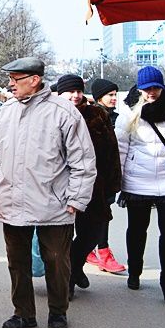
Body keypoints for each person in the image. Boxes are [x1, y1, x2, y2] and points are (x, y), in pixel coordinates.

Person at [0, 57, 96, 328]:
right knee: (17, 261)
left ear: (34, 80)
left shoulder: (64, 112)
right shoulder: (4, 113)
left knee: (56, 259)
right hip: (13, 199)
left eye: (15, 79)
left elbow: (83, 159)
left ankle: (58, 310)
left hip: (54, 203)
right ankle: (23, 313)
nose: (10, 84)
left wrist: (77, 198)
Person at [54, 74, 121, 298]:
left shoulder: (96, 114)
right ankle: (67, 280)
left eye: (79, 91)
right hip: (58, 187)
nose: (75, 95)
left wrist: (112, 185)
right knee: (60, 237)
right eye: (70, 91)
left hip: (93, 184)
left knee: (91, 233)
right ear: (60, 93)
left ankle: (75, 266)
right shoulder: (50, 114)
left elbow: (112, 150)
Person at [114, 65, 165, 305]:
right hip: (138, 181)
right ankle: (134, 271)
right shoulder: (129, 112)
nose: (151, 93)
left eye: (155, 88)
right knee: (137, 230)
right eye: (146, 89)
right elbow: (120, 148)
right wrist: (118, 181)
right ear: (139, 89)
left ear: (162, 87)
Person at [86, 78, 126, 273]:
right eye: (110, 95)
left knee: (103, 215)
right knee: (96, 217)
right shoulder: (90, 117)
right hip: (93, 176)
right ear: (99, 97)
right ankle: (98, 250)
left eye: (115, 95)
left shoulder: (117, 118)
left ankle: (99, 250)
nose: (114, 98)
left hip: (108, 176)